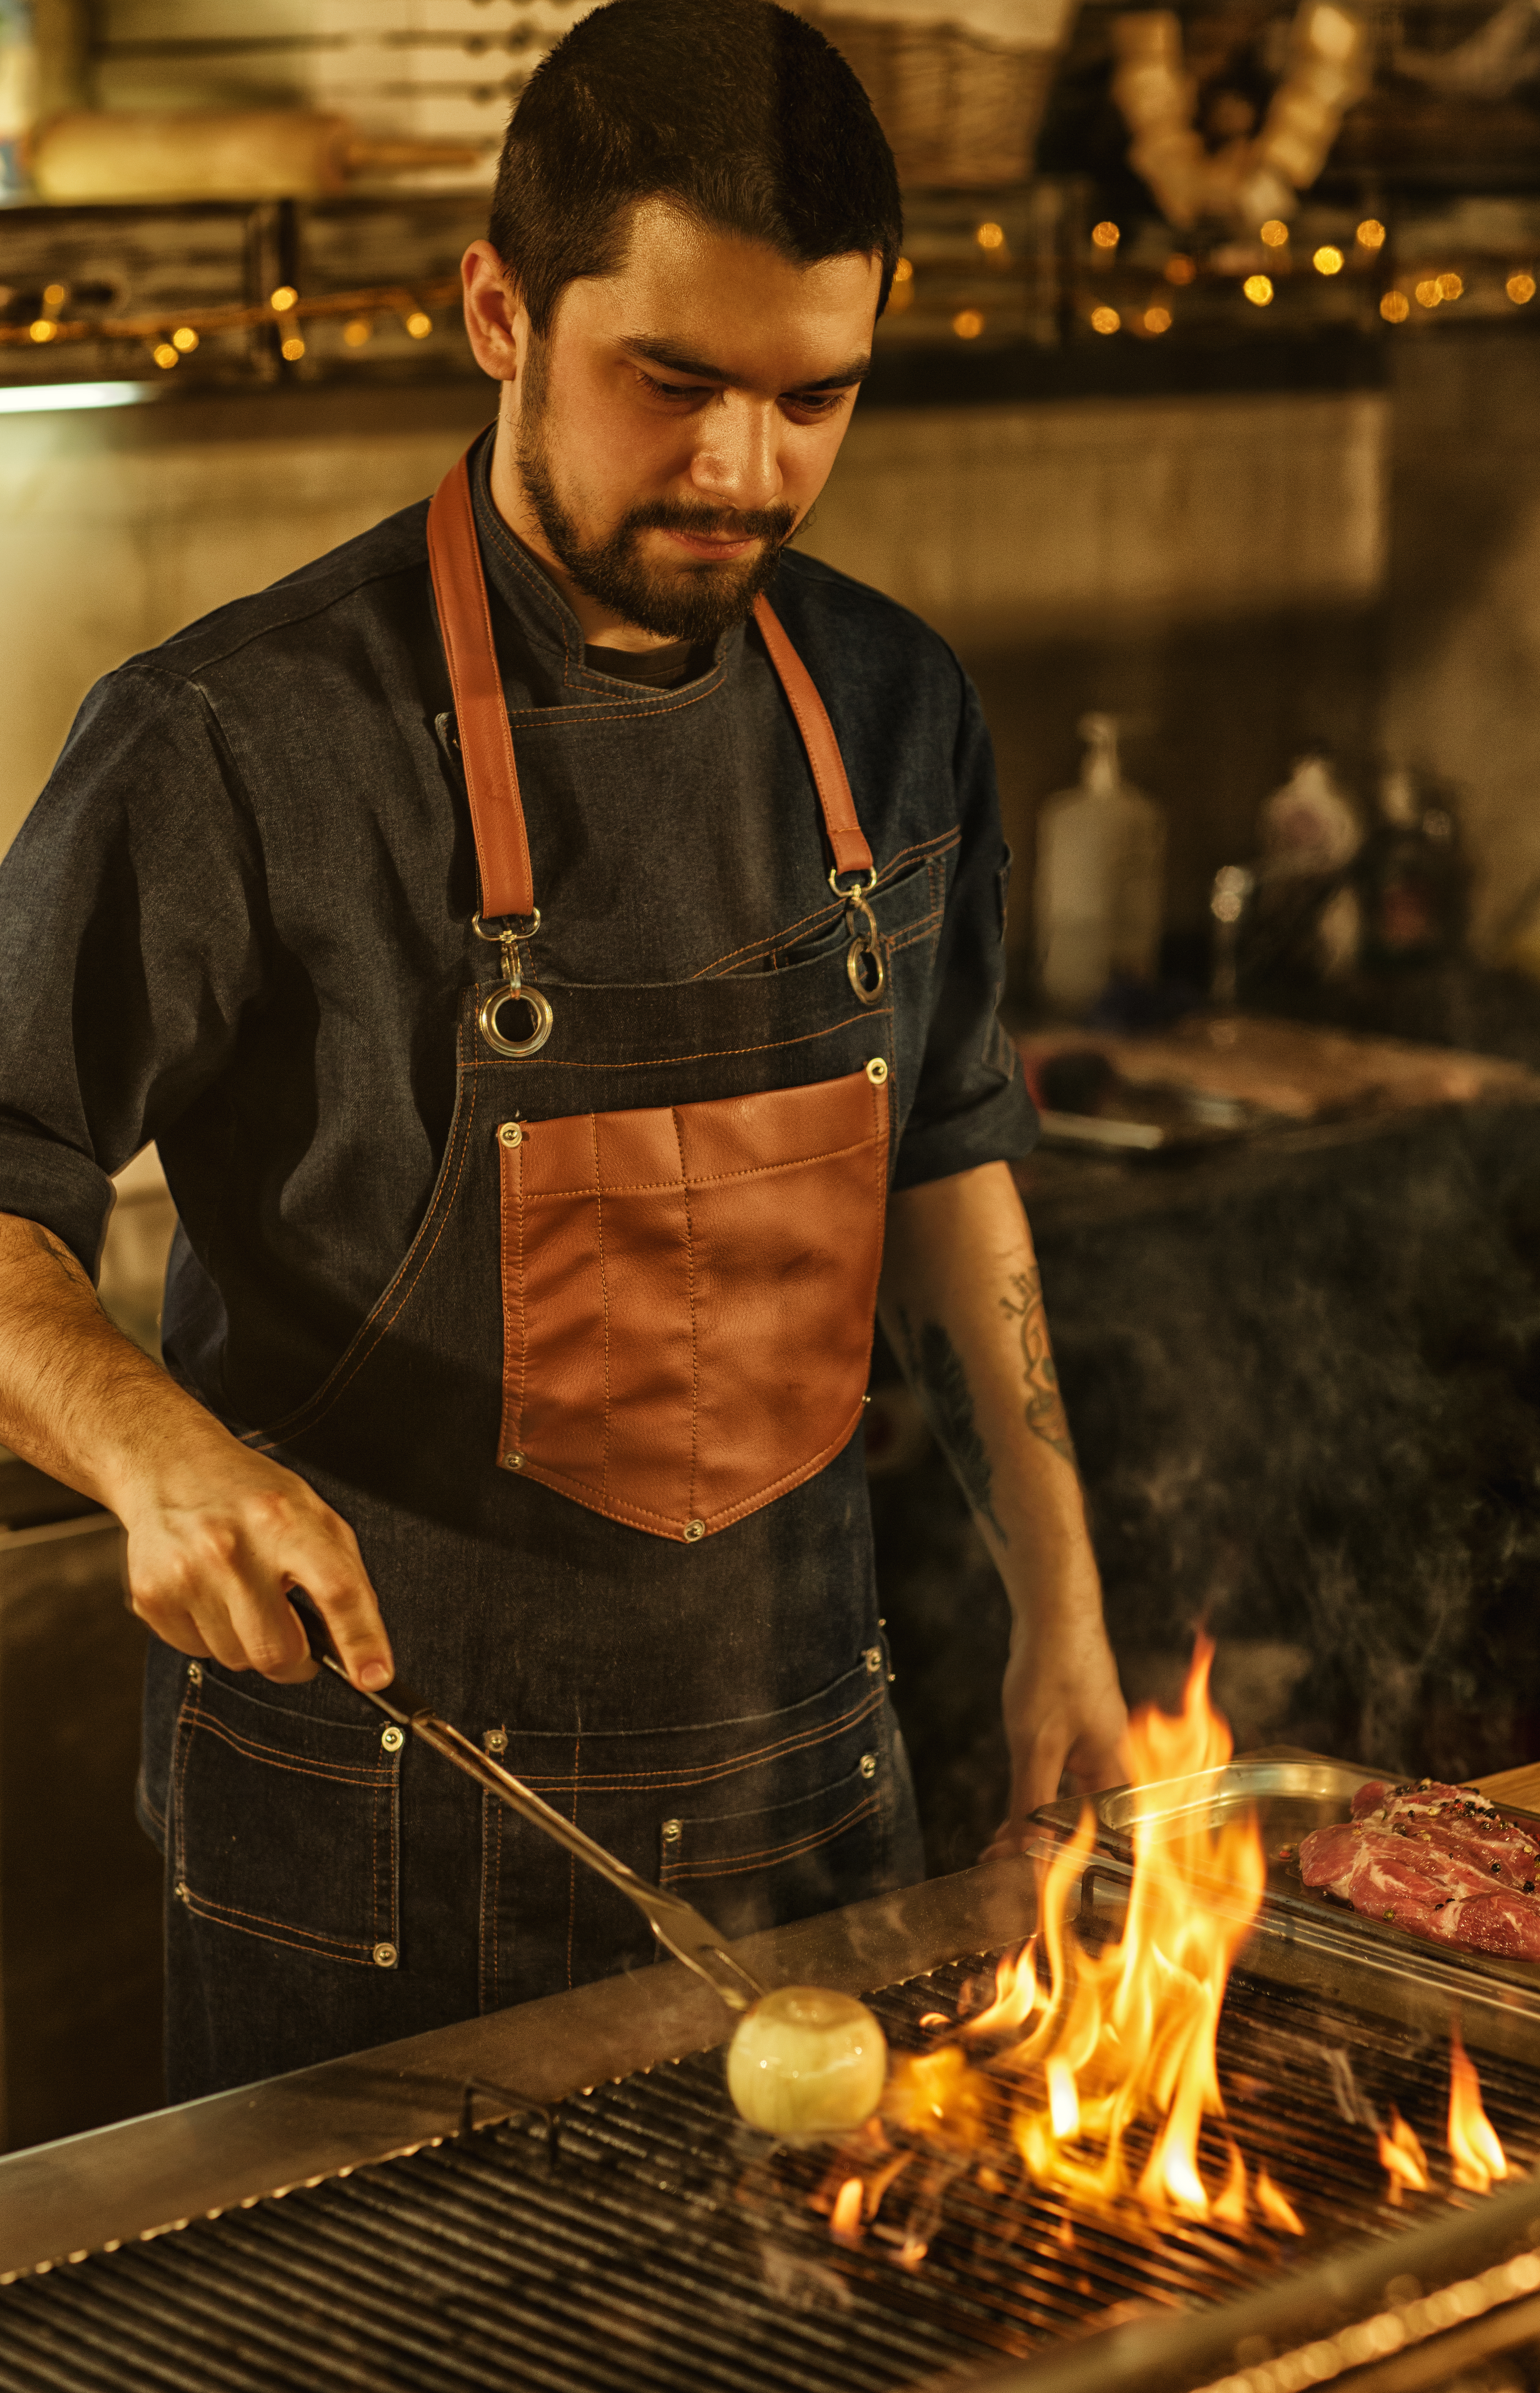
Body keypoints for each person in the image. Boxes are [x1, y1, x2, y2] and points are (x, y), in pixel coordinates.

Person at [0, 0, 1127, 2101]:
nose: (741, 470)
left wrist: (1060, 1602)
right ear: (499, 308)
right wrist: (151, 1450)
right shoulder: (238, 743)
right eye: (673, 384)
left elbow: (948, 1143)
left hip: (815, 1808)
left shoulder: (893, 704)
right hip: (380, 1864)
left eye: (817, 403)